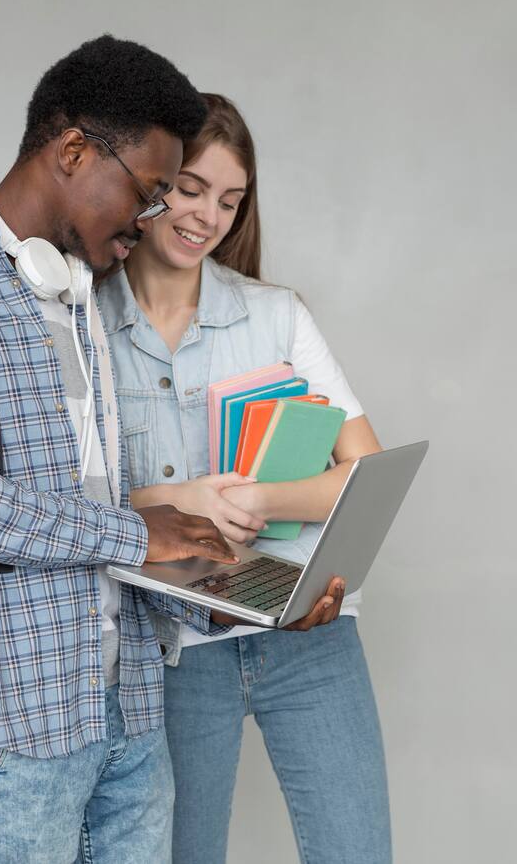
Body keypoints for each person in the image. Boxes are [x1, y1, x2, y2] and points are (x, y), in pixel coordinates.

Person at [0, 38, 335, 864]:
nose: (151, 223)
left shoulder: (75, 303)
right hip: (2, 729)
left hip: (124, 717)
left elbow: (93, 513)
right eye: (145, 195)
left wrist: (209, 592)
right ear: (71, 152)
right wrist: (140, 535)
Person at [97, 93, 391, 864]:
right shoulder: (84, 320)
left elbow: (363, 470)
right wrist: (179, 501)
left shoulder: (277, 315)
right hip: (171, 652)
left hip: (305, 632)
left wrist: (260, 499)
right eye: (191, 189)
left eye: (230, 200)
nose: (207, 217)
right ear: (153, 180)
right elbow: (63, 507)